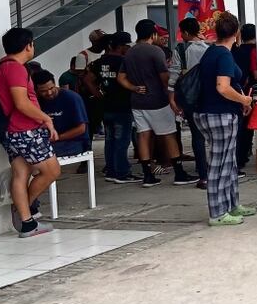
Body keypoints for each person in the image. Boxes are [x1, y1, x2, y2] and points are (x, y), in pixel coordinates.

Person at [0, 28, 60, 237]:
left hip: (12, 131)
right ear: (28, 45)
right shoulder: (15, 69)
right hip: (25, 130)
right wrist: (46, 118)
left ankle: (27, 223)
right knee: (52, 170)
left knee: (22, 173)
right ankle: (23, 209)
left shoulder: (2, 67)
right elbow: (21, 103)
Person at [193, 12, 257, 226]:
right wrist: (244, 100)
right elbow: (223, 87)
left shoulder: (211, 51)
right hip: (219, 114)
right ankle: (218, 211)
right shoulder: (224, 55)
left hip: (211, 112)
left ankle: (231, 204)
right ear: (237, 33)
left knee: (228, 162)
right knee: (220, 164)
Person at [119, 19, 196, 188]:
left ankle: (148, 175)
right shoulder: (156, 51)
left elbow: (121, 78)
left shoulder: (129, 53)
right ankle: (179, 173)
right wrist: (174, 91)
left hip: (138, 102)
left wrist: (133, 88)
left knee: (144, 136)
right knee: (168, 135)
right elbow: (165, 78)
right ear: (153, 34)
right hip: (158, 101)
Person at [85, 32, 140, 183]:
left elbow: (88, 79)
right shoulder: (124, 62)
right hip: (122, 107)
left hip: (106, 107)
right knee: (122, 141)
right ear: (118, 47)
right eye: (126, 46)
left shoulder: (99, 62)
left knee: (110, 140)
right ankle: (122, 173)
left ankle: (110, 170)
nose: (128, 48)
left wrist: (99, 95)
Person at [170, 17, 211, 188]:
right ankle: (213, 171)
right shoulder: (209, 48)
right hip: (208, 95)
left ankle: (202, 174)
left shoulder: (181, 48)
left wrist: (171, 96)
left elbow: (174, 73)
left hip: (189, 96)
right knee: (212, 136)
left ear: (186, 33)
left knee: (197, 136)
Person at [32, 70, 91, 160]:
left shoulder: (72, 98)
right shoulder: (38, 100)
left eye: (51, 88)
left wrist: (58, 137)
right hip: (51, 140)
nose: (49, 93)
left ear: (55, 83)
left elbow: (81, 129)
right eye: (43, 91)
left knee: (40, 154)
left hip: (75, 141)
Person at [232, 23, 257, 170]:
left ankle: (240, 158)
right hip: (254, 91)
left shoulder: (235, 51)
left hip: (237, 90)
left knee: (242, 127)